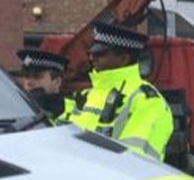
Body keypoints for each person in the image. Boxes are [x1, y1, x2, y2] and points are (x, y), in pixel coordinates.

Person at [68, 22, 173, 160]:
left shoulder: (147, 101)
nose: (92, 58)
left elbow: (133, 161)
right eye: (92, 53)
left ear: (123, 59)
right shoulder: (86, 95)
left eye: (100, 53)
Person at [15, 48, 73, 122]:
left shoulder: (68, 110)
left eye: (37, 76)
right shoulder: (18, 105)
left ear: (57, 82)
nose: (29, 82)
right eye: (26, 76)